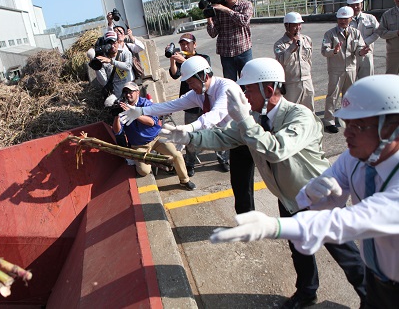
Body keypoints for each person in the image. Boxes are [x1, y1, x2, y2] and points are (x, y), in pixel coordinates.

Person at [159, 58, 366, 309]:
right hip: (289, 199)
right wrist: (189, 135)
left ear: (268, 91)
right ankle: (307, 292)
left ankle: (370, 297)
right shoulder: (256, 117)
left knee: (345, 254)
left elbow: (277, 150)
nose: (244, 95)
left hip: (319, 198)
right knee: (300, 250)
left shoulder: (300, 116)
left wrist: (245, 120)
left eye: (248, 89)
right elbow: (224, 136)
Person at [209, 74, 399, 309]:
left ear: (391, 128)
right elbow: (314, 199)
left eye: (358, 125)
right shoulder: (355, 158)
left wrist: (274, 227)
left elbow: (348, 222)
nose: (346, 133)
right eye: (346, 123)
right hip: (377, 276)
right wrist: (312, 195)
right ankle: (311, 291)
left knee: (346, 253)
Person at [120, 55, 256, 214]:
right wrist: (142, 111)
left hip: (247, 136)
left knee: (250, 182)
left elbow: (214, 116)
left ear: (204, 76)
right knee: (239, 183)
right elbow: (171, 105)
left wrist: (188, 129)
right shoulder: (199, 93)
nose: (190, 87)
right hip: (230, 138)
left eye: (191, 82)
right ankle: (246, 217)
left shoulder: (226, 87)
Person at [112, 81, 195, 190]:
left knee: (176, 154)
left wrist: (135, 114)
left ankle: (185, 180)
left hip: (156, 138)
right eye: (126, 92)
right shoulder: (124, 107)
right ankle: (158, 162)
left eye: (130, 92)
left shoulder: (145, 103)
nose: (128, 95)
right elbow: (117, 131)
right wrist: (116, 115)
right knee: (143, 171)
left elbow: (151, 122)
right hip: (139, 145)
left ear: (137, 92)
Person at [167, 33, 229, 175]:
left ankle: (223, 158)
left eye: (187, 43)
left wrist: (184, 61)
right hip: (191, 101)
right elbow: (175, 74)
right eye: (182, 44)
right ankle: (190, 162)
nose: (184, 46)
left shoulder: (202, 58)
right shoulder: (179, 59)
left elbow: (203, 70)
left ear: (194, 44)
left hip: (208, 101)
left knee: (217, 131)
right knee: (189, 135)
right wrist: (172, 59)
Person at [321, 6, 369, 134]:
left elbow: (359, 48)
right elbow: (324, 51)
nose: (342, 21)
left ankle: (347, 118)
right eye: (340, 19)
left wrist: (362, 51)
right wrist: (334, 51)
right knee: (332, 96)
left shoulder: (355, 33)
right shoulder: (330, 34)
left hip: (351, 68)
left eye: (345, 18)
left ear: (351, 19)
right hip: (336, 69)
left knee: (349, 96)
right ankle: (329, 121)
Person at [206, 0, 253, 82]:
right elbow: (213, 33)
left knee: (248, 83)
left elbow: (244, 21)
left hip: (243, 51)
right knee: (230, 85)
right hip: (226, 54)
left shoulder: (245, 5)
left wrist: (226, 10)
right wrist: (209, 18)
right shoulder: (218, 9)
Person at [274, 12, 315, 111]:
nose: (298, 28)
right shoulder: (279, 45)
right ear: (286, 26)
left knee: (309, 111)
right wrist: (292, 47)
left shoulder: (306, 40)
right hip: (291, 83)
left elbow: (309, 59)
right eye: (294, 25)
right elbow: (281, 61)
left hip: (306, 81)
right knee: (291, 111)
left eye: (299, 24)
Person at [93, 30, 134, 106]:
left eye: (114, 43)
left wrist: (111, 61)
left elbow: (128, 67)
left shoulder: (125, 53)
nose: (112, 46)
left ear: (118, 42)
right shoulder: (103, 60)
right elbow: (104, 82)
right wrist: (97, 66)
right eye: (109, 44)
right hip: (117, 97)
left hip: (131, 94)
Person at [347, 0, 380, 79]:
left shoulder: (370, 18)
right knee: (350, 83)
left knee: (367, 81)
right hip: (351, 55)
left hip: (366, 54)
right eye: (352, 5)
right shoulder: (345, 20)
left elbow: (378, 32)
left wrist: (365, 42)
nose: (355, 7)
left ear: (362, 5)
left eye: (357, 4)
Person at [376, 0, 399, 75]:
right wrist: (396, 33)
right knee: (391, 79)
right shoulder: (387, 15)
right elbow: (381, 32)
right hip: (393, 53)